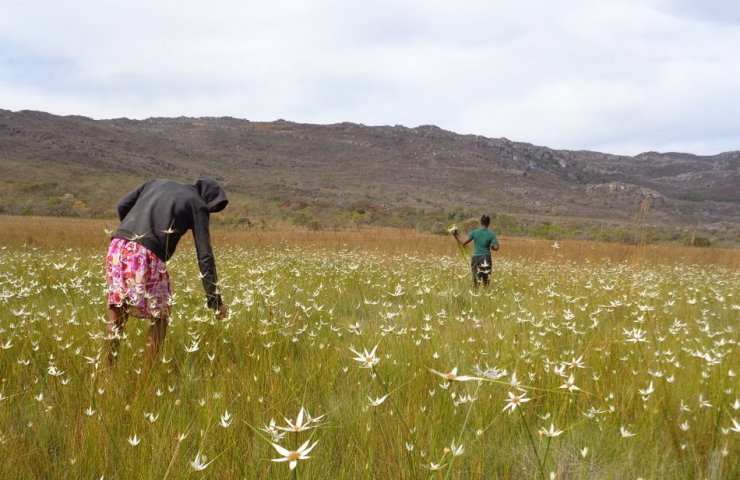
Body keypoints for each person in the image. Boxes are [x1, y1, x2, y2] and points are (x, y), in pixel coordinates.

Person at [105, 176, 229, 365]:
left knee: (118, 309)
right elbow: (205, 255)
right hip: (146, 253)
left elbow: (122, 204)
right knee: (160, 315)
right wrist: (215, 300)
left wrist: (131, 233)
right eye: (213, 208)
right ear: (208, 199)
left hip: (118, 245)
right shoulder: (198, 204)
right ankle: (147, 377)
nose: (210, 212)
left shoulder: (156, 183)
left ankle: (105, 373)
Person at [454, 214, 500, 288]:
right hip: (486, 258)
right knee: (486, 282)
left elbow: (463, 243)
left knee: (476, 281)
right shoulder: (491, 234)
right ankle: (486, 296)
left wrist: (456, 235)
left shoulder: (475, 232)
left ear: (480, 222)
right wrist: (492, 247)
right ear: (489, 223)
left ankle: (476, 295)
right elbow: (496, 247)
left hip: (476, 258)